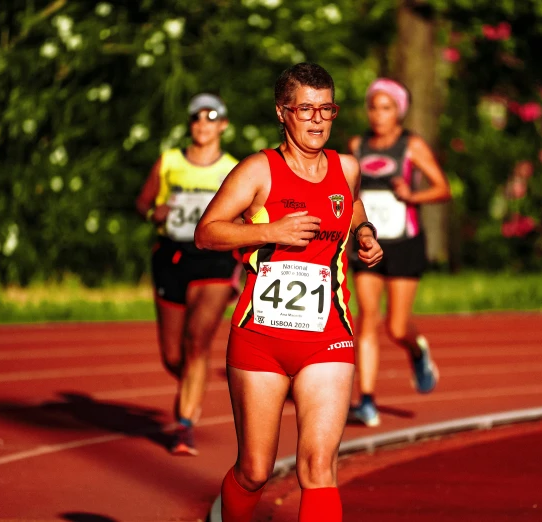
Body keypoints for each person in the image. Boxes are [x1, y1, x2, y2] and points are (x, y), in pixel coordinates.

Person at [196, 63, 382, 522]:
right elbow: (207, 233)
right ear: (283, 112)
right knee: (255, 470)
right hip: (261, 339)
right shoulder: (259, 170)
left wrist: (364, 232)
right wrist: (270, 231)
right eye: (306, 109)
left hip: (328, 337)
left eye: (327, 109)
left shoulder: (347, 166)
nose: (318, 120)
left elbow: (352, 202)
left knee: (319, 468)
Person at [135, 93, 240, 456]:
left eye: (211, 119)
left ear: (223, 125)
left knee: (198, 343)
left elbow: (247, 216)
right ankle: (192, 383)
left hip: (215, 260)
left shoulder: (233, 167)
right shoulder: (169, 163)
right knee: (172, 355)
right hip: (172, 257)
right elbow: (143, 204)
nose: (203, 125)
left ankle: (184, 426)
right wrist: (154, 214)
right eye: (197, 118)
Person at [347, 78, 452, 427]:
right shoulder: (357, 145)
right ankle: (365, 400)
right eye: (374, 107)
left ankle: (417, 349)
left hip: (404, 242)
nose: (378, 115)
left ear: (399, 111)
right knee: (367, 320)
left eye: (387, 108)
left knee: (395, 327)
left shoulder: (412, 146)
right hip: (367, 243)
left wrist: (411, 196)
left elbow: (442, 189)